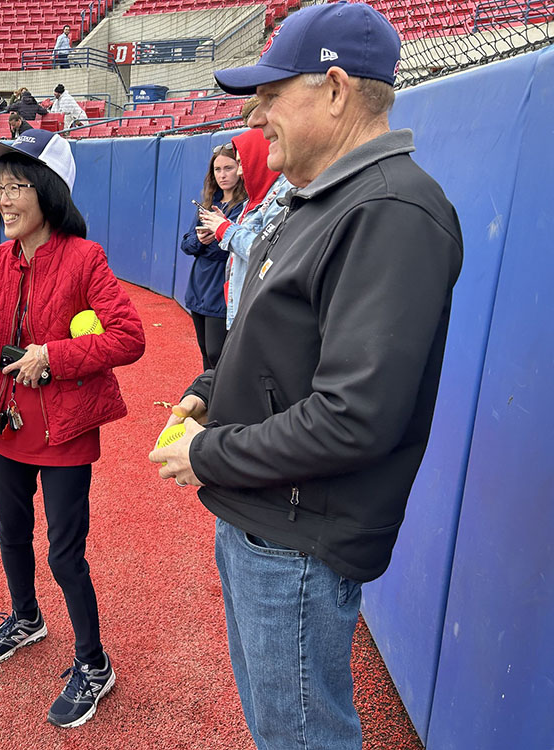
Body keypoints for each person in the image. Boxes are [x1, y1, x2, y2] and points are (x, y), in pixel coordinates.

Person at [149, 4, 463, 749]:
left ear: (332, 88)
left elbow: (354, 416)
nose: (256, 115)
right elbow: (274, 338)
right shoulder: (320, 197)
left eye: (270, 93)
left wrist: (205, 454)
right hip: (267, 520)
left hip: (297, 539)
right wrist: (207, 386)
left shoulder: (391, 207)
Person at [0, 129, 145, 728]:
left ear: (48, 189)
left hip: (65, 430)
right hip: (7, 424)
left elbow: (130, 338)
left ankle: (94, 663)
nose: (3, 198)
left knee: (65, 556)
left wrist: (54, 355)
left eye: (16, 185)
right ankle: (26, 617)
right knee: (11, 537)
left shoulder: (84, 258)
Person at [197, 125, 289, 330]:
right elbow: (189, 244)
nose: (239, 171)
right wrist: (224, 226)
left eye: (239, 163)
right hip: (236, 302)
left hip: (258, 312)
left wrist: (223, 228)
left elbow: (266, 252)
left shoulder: (282, 193)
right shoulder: (256, 198)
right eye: (218, 169)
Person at [179, 143, 246, 370]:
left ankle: (221, 401)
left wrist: (215, 238)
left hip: (222, 287)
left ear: (239, 169)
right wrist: (201, 240)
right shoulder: (209, 204)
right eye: (217, 170)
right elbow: (186, 244)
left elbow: (229, 249)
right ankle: (207, 401)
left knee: (219, 353)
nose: (223, 175)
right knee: (205, 352)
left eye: (228, 168)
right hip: (199, 285)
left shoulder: (244, 206)